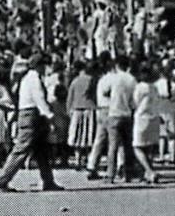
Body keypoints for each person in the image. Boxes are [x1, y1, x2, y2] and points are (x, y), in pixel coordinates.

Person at [0, 53, 62, 191]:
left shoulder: (26, 78)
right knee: (22, 148)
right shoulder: (33, 78)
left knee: (41, 150)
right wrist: (49, 116)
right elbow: (39, 98)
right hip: (32, 115)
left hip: (28, 114)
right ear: (39, 65)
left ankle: (48, 181)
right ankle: (3, 178)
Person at [104, 55, 138, 183]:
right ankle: (128, 173)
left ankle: (110, 175)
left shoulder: (114, 78)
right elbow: (134, 100)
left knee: (113, 146)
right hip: (127, 114)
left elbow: (104, 92)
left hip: (114, 113)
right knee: (127, 145)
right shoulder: (132, 79)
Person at [131, 62, 160, 183]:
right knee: (149, 147)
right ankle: (148, 172)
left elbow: (134, 102)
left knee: (137, 146)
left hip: (141, 117)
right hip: (153, 117)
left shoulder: (140, 87)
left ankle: (149, 170)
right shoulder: (154, 87)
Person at [66, 60, 96, 169]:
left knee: (77, 136)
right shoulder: (91, 80)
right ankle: (87, 159)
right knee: (88, 135)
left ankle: (78, 159)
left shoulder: (74, 81)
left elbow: (70, 97)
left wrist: (68, 110)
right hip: (89, 108)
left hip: (76, 109)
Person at [155, 59, 175, 165]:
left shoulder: (157, 85)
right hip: (173, 109)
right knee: (172, 136)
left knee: (161, 135)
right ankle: (172, 156)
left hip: (160, 109)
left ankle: (161, 155)